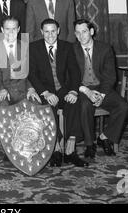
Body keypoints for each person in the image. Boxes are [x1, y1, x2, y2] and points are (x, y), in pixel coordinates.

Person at [28, 19, 88, 167]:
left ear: (58, 30)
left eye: (53, 31)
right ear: (41, 32)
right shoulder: (33, 47)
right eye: (46, 31)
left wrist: (73, 91)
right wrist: (45, 93)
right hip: (46, 90)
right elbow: (32, 74)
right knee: (48, 110)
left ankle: (70, 149)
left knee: (75, 103)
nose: (50, 35)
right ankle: (55, 148)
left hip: (63, 89)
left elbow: (75, 72)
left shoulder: (67, 47)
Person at [73, 19, 128, 159]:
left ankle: (105, 136)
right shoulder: (72, 50)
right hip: (83, 89)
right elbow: (71, 77)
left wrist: (101, 95)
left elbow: (110, 76)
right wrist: (86, 91)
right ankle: (89, 144)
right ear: (75, 34)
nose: (81, 36)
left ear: (91, 31)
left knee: (124, 107)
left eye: (84, 32)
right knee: (85, 105)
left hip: (102, 88)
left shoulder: (105, 48)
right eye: (78, 33)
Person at [0, 16, 40, 106]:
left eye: (14, 29)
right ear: (2, 29)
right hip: (4, 91)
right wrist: (1, 89)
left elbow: (32, 72)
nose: (11, 32)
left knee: (36, 107)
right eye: (7, 29)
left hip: (24, 91)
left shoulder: (26, 47)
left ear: (18, 29)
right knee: (3, 111)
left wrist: (31, 88)